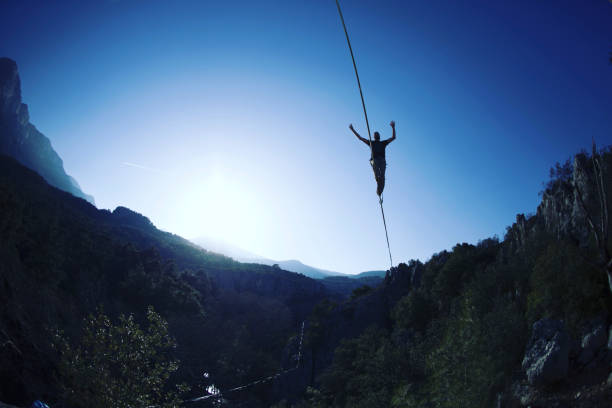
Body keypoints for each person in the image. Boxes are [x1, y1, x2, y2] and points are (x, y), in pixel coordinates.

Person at [349, 121, 396, 197]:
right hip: (374, 160)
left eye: (377, 134)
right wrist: (353, 130)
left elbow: (393, 137)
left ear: (379, 136)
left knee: (382, 177)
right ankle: (378, 184)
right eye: (375, 134)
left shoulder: (383, 143)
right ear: (374, 137)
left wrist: (393, 127)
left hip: (382, 161)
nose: (377, 135)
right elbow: (360, 138)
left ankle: (379, 191)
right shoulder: (371, 143)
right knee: (378, 175)